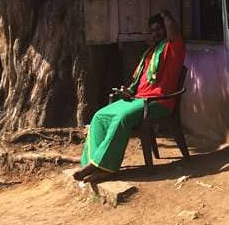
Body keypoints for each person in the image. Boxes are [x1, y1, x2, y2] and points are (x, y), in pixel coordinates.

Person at [75, 11, 185, 182]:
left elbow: (173, 29)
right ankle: (93, 161)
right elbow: (139, 84)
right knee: (99, 116)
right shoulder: (149, 53)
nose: (155, 33)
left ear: (166, 30)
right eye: (152, 30)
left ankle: (106, 168)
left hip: (158, 102)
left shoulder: (173, 48)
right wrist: (129, 91)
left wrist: (166, 15)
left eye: (159, 29)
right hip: (138, 99)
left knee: (122, 118)